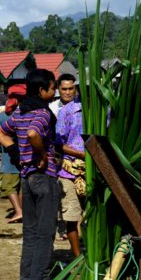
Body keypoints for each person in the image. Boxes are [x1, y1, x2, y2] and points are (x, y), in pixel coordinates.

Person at [0, 69, 59, 280]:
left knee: (30, 231)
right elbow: (33, 134)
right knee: (45, 231)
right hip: (44, 176)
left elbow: (0, 132)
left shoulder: (20, 112)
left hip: (26, 178)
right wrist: (41, 155)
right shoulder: (42, 113)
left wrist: (14, 151)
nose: (55, 92)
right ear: (41, 90)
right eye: (52, 88)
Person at [55, 74, 85, 258]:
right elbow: (58, 143)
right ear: (58, 90)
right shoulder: (63, 112)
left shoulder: (96, 110)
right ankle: (77, 257)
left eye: (70, 89)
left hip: (93, 169)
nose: (67, 92)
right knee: (71, 217)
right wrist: (82, 154)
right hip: (69, 170)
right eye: (64, 89)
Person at [0, 84, 26, 223]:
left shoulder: (3, 116)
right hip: (26, 154)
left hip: (9, 157)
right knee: (24, 184)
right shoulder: (29, 113)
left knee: (9, 185)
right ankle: (24, 210)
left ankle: (18, 211)